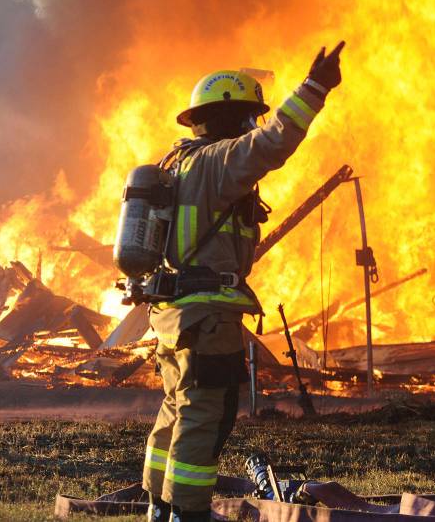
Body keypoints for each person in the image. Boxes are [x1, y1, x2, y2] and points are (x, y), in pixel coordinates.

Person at [142, 43, 345, 522]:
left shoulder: (178, 164)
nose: (254, 125)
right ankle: (188, 512)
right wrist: (315, 88)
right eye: (249, 117)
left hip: (174, 314)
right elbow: (273, 142)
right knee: (206, 414)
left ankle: (157, 504)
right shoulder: (218, 161)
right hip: (207, 315)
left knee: (176, 409)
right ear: (232, 119)